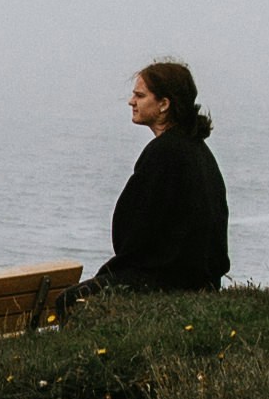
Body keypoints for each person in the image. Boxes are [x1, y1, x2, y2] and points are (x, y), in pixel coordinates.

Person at [95, 61, 229, 293]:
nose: (131, 101)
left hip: (168, 280)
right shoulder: (198, 150)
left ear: (164, 104)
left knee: (69, 301)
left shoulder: (164, 152)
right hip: (203, 280)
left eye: (140, 95)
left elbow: (136, 230)